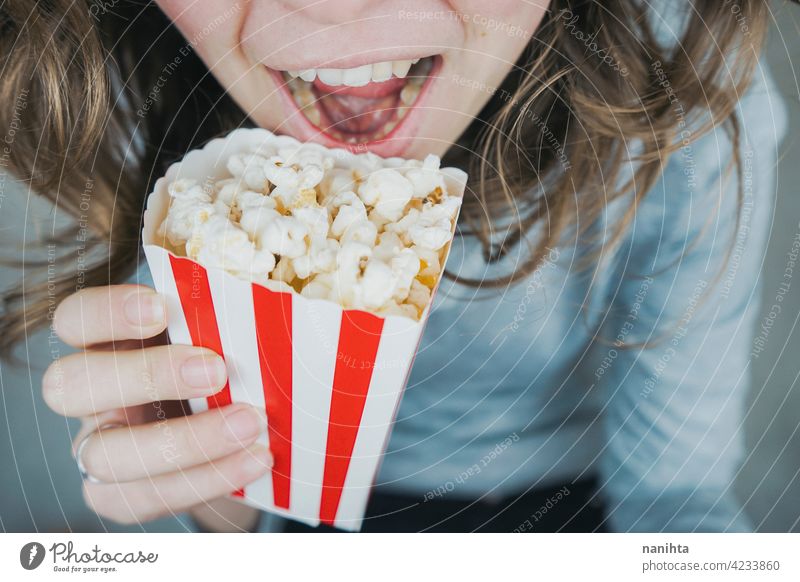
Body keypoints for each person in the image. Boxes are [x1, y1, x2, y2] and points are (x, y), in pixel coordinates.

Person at [0, 0, 791, 532]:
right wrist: (218, 474)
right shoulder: (134, 90)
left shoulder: (684, 91)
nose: (340, 9)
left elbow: (676, 495)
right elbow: (244, 517)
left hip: (586, 497)